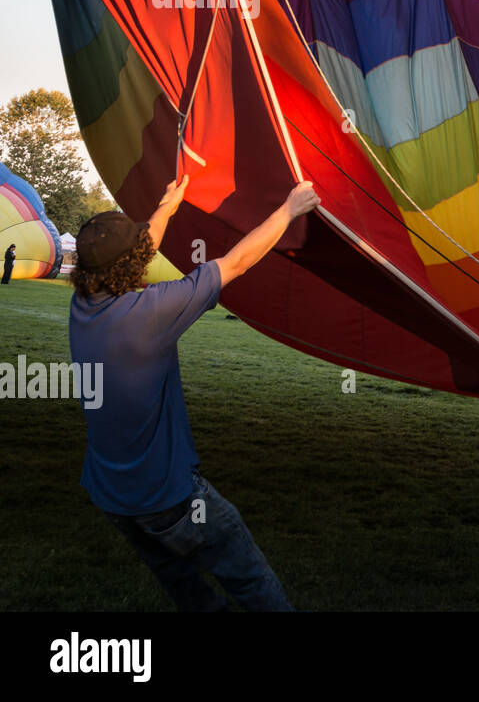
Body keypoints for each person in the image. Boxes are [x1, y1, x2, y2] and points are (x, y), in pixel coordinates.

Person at [69, 175, 320, 611]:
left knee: (188, 592)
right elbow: (237, 262)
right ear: (132, 263)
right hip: (169, 500)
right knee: (251, 581)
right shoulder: (148, 314)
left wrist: (167, 206)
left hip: (111, 496)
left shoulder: (82, 305)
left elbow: (137, 249)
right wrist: (290, 209)